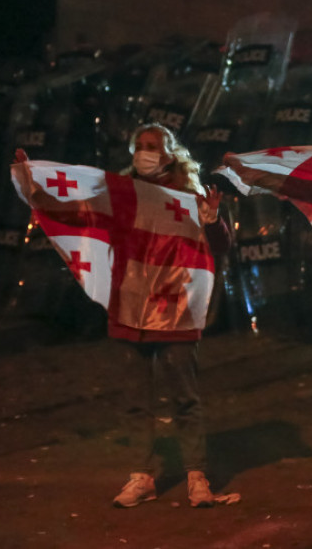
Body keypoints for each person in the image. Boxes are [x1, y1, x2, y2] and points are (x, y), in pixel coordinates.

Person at [19, 123, 231, 509]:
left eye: (153, 146)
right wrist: (35, 185)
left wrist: (213, 219)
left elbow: (219, 246)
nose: (145, 152)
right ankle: (142, 477)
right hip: (131, 305)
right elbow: (78, 213)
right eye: (140, 145)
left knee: (184, 398)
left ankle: (196, 475)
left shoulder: (190, 194)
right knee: (136, 400)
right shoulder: (119, 193)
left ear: (170, 152)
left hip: (175, 309)